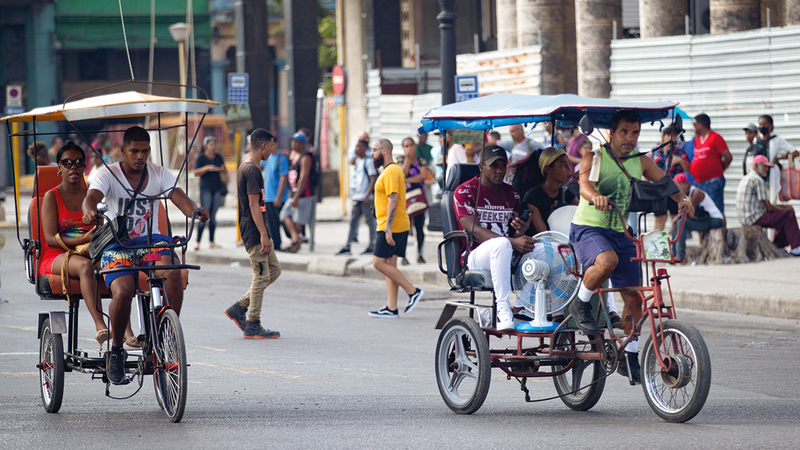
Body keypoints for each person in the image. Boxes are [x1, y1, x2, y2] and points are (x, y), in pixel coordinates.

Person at [570, 110, 694, 383]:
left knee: (634, 298)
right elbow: (584, 187)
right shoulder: (595, 157)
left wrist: (683, 199)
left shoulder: (641, 161)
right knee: (607, 261)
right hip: (588, 228)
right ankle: (580, 303)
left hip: (620, 232)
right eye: (624, 132)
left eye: (635, 132)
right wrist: (596, 196)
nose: (630, 138)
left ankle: (630, 355)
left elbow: (666, 183)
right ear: (611, 133)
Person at [82, 126, 210, 385]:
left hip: (151, 244)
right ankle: (116, 350)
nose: (140, 156)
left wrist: (195, 211)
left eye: (145, 151)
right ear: (123, 151)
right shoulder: (109, 174)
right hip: (118, 245)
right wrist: (89, 211)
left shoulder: (160, 174)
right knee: (123, 291)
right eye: (134, 151)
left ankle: (167, 332)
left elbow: (181, 199)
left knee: (173, 273)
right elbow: (91, 198)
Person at [453, 144, 535, 330]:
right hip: (475, 256)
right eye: (494, 166)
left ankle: (522, 307)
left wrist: (521, 231)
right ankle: (503, 310)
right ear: (481, 166)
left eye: (503, 166)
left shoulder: (511, 193)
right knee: (501, 244)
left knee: (543, 248)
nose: (499, 170)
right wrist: (512, 241)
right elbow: (473, 229)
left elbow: (512, 233)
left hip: (506, 251)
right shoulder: (465, 191)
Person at [40, 143, 106, 344]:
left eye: (78, 162)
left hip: (90, 250)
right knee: (85, 266)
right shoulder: (51, 196)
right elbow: (50, 238)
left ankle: (125, 331)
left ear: (84, 166)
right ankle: (100, 326)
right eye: (67, 163)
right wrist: (81, 240)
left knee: (117, 264)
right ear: (59, 167)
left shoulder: (91, 196)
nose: (73, 167)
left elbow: (101, 228)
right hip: (57, 254)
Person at [224, 128, 283, 338]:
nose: (272, 151)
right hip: (254, 231)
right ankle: (253, 323)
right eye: (271, 146)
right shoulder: (251, 170)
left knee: (274, 270)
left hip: (258, 229)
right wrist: (263, 234)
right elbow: (253, 204)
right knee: (261, 277)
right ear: (263, 146)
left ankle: (240, 306)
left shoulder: (251, 167)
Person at [367, 139, 424, 318]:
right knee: (390, 265)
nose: (371, 154)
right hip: (396, 224)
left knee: (378, 262)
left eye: (374, 150)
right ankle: (391, 307)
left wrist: (388, 228)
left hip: (392, 225)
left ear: (384, 151)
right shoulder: (391, 170)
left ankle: (412, 291)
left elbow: (393, 199)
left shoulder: (391, 171)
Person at [736, 155, 800, 256]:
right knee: (789, 214)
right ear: (756, 166)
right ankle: (795, 248)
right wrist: (784, 208)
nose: (767, 169)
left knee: (783, 216)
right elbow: (769, 207)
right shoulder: (757, 180)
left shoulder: (746, 178)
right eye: (764, 166)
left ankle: (779, 246)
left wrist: (782, 208)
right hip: (754, 218)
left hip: (745, 218)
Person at [523, 147, 579, 235]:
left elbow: (582, 214)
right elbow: (544, 233)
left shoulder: (566, 193)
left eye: (568, 164)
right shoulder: (533, 196)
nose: (569, 169)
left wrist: (582, 182)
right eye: (563, 165)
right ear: (548, 169)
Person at [336, 139, 377, 256]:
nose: (356, 150)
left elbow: (373, 178)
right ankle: (348, 245)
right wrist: (358, 155)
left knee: (370, 221)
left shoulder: (369, 161)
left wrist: (368, 194)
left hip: (365, 197)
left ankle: (372, 245)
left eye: (358, 147)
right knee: (353, 221)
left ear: (364, 148)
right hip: (357, 196)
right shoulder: (359, 160)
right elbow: (351, 162)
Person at [671, 173, 724, 260]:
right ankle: (673, 253)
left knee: (681, 222)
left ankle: (680, 255)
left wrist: (675, 218)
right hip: (703, 219)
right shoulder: (684, 196)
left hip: (715, 220)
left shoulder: (696, 193)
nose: (684, 187)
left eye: (684, 184)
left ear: (688, 184)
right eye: (680, 186)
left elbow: (688, 211)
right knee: (677, 223)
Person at [281, 132, 316, 253]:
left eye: (296, 142)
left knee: (298, 221)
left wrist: (296, 197)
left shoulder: (305, 158)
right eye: (293, 141)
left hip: (303, 194)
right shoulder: (295, 156)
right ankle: (295, 238)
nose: (293, 144)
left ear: (303, 144)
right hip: (294, 192)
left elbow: (303, 179)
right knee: (284, 214)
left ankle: (294, 244)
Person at [690, 113, 731, 216]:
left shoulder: (715, 137)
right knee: (701, 212)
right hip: (698, 183)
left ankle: (720, 226)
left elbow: (728, 157)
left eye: (694, 124)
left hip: (712, 182)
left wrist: (720, 168)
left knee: (716, 210)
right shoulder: (697, 140)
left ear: (701, 125)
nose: (693, 127)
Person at [651, 126, 691, 231]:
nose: (670, 138)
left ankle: (675, 240)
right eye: (668, 135)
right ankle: (657, 239)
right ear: (663, 136)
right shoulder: (656, 150)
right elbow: (647, 168)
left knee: (675, 217)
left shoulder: (679, 151)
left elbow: (689, 169)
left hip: (673, 188)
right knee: (659, 218)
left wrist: (680, 161)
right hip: (658, 189)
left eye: (673, 135)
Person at [397, 137, 430, 264]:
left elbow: (423, 176)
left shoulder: (421, 161)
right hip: (404, 199)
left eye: (411, 145)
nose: (409, 148)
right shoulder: (400, 160)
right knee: (405, 228)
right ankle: (403, 256)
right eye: (406, 146)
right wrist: (407, 159)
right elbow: (402, 173)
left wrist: (407, 180)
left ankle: (420, 255)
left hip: (418, 197)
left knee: (419, 227)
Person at [193, 135, 227, 250]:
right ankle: (197, 241)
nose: (213, 147)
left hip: (217, 188)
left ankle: (211, 241)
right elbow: (195, 172)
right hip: (205, 189)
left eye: (214, 144)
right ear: (206, 146)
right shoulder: (201, 158)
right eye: (211, 144)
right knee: (204, 214)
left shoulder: (218, 157)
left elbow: (225, 172)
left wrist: (222, 170)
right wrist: (208, 168)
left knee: (213, 215)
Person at [757, 114, 799, 204]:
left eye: (765, 124)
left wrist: (779, 158)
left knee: (772, 200)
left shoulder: (776, 140)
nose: (762, 127)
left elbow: (795, 152)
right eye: (760, 124)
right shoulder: (756, 140)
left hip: (772, 174)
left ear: (771, 125)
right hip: (759, 174)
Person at [261, 140, 290, 252]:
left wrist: (278, 196)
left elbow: (283, 178)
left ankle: (294, 238)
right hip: (268, 196)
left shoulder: (281, 158)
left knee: (284, 221)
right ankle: (276, 245)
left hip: (278, 197)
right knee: (272, 224)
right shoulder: (267, 158)